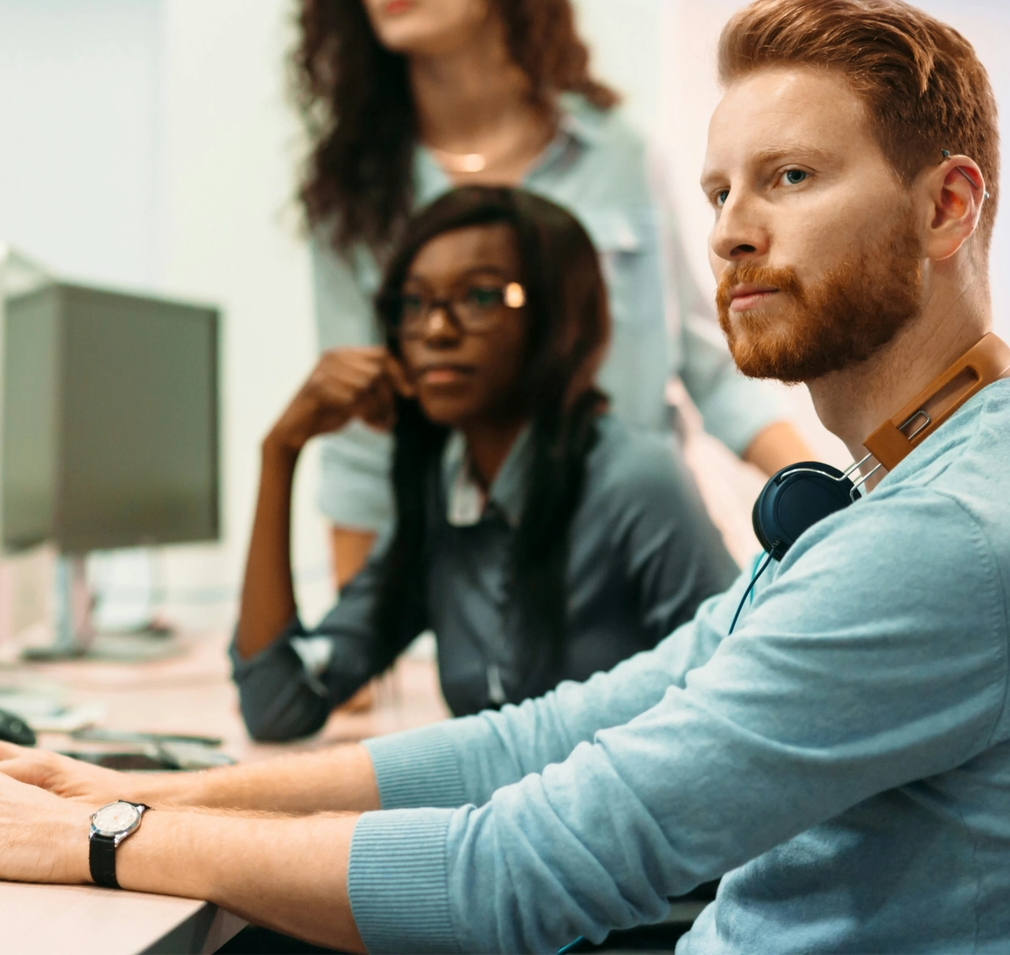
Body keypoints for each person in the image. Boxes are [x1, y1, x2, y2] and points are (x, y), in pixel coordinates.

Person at [0, 0, 1010, 953]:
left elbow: (530, 873)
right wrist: (143, 791)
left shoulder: (958, 538)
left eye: (789, 177)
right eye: (719, 192)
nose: (730, 235)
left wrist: (96, 841)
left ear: (947, 206)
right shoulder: (915, 486)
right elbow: (558, 734)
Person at [296, 0, 815, 587]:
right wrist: (353, 657)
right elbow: (362, 443)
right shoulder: (355, 197)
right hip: (486, 586)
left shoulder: (616, 154)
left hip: (647, 557)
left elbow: (711, 368)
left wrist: (829, 500)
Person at [234, 186, 737, 741]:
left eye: (478, 297)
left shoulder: (636, 479)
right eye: (414, 303)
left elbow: (733, 706)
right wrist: (279, 452)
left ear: (557, 316)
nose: (435, 330)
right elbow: (276, 706)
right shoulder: (443, 503)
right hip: (497, 823)